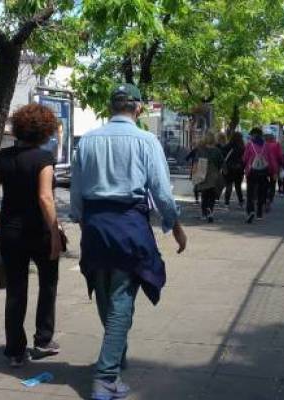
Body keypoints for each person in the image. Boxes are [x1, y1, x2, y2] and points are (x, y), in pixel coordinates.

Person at [70, 83, 187, 400]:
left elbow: (76, 190)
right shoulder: (146, 140)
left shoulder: (89, 140)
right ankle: (106, 376)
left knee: (106, 292)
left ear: (111, 107)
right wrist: (174, 225)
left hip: (95, 225)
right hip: (129, 225)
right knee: (122, 298)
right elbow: (161, 191)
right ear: (138, 108)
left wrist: (82, 222)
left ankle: (115, 355)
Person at [0, 104, 63, 368]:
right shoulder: (44, 158)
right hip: (39, 232)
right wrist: (55, 232)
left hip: (11, 233)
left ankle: (15, 351)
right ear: (44, 131)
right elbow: (45, 197)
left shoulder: (2, 157)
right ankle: (43, 340)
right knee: (48, 284)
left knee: (16, 291)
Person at [243, 128, 274, 223]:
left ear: (253, 135)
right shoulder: (266, 145)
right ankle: (259, 213)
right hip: (263, 172)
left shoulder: (249, 145)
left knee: (250, 193)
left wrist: (245, 167)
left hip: (252, 171)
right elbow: (270, 159)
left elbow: (245, 158)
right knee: (261, 192)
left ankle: (250, 211)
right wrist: (273, 171)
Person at [194, 133, 224, 222]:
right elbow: (221, 162)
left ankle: (204, 214)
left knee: (204, 195)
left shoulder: (200, 150)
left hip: (203, 174)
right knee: (212, 195)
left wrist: (195, 174)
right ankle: (210, 211)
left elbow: (196, 162)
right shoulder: (217, 151)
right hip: (214, 175)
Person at [222, 131, 245, 208]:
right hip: (239, 168)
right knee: (238, 186)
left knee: (229, 185)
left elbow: (223, 154)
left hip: (229, 168)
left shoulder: (228, 146)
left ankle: (226, 203)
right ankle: (241, 202)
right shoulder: (242, 147)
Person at [264, 133, 283, 211]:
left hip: (264, 167)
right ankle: (269, 199)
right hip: (274, 168)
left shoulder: (263, 145)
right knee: (272, 184)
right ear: (273, 138)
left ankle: (265, 197)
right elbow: (280, 156)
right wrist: (281, 165)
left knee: (264, 184)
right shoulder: (277, 145)